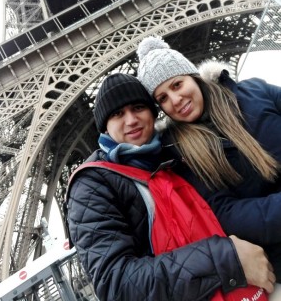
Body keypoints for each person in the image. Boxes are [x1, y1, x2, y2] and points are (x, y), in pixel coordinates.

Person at [66, 72, 274, 301]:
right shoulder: (90, 185)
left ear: (154, 113)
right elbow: (117, 285)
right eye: (117, 114)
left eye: (138, 107)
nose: (131, 119)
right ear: (105, 127)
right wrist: (226, 258)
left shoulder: (175, 153)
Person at [136, 35, 281, 283]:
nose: (175, 100)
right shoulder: (179, 153)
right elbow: (226, 213)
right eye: (162, 99)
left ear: (192, 76)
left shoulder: (255, 90)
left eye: (177, 85)